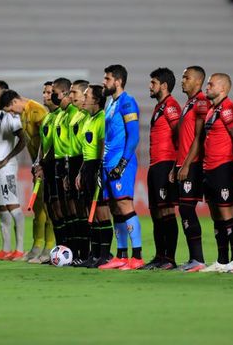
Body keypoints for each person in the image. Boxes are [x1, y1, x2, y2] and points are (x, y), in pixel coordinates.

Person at [0, 87, 55, 261]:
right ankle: (37, 246)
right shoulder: (23, 113)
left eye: (10, 110)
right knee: (38, 207)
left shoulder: (37, 111)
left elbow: (48, 140)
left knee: (48, 205)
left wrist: (42, 164)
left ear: (14, 102)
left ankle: (49, 247)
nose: (12, 114)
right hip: (37, 165)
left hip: (47, 165)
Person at [98, 64, 143, 270]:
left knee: (125, 205)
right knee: (116, 208)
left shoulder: (127, 102)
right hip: (108, 163)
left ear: (118, 81)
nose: (104, 82)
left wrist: (123, 164)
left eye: (107, 79)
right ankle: (121, 255)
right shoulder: (110, 103)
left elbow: (133, 136)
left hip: (121, 162)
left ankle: (137, 255)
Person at [201, 73, 233, 273]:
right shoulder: (212, 109)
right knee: (216, 215)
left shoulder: (228, 108)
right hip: (209, 168)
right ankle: (222, 260)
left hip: (224, 167)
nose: (207, 87)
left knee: (227, 213)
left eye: (211, 84)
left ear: (223, 89)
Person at [170, 66, 209, 272]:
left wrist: (185, 164)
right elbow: (184, 139)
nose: (182, 80)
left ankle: (198, 259)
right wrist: (176, 164)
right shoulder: (190, 103)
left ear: (198, 81)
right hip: (183, 163)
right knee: (184, 210)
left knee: (187, 209)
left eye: (187, 77)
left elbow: (199, 137)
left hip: (192, 165)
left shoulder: (202, 101)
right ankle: (194, 259)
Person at [142, 67, 180, 270]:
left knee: (166, 211)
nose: (150, 86)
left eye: (153, 83)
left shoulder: (171, 106)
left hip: (165, 164)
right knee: (156, 212)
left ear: (163, 86)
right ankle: (159, 256)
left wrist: (175, 165)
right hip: (155, 165)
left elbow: (180, 134)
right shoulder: (160, 107)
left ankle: (170, 258)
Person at [0, 81, 27, 261]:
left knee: (13, 206)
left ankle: (19, 249)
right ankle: (5, 249)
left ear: (2, 93)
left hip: (6, 169)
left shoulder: (11, 117)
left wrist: (6, 159)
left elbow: (23, 139)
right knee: (1, 208)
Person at [75, 84, 110, 268]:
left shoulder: (102, 118)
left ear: (96, 100)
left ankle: (105, 255)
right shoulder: (88, 119)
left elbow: (103, 145)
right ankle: (94, 255)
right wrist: (81, 172)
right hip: (88, 167)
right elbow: (86, 150)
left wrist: (100, 169)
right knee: (93, 213)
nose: (84, 99)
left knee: (102, 212)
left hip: (98, 165)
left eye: (87, 96)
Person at [31, 81, 61, 264]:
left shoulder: (60, 116)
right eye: (44, 92)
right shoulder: (47, 118)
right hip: (46, 167)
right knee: (48, 207)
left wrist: (44, 164)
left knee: (57, 211)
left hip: (57, 167)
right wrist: (38, 164)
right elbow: (43, 145)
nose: (45, 95)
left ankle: (51, 247)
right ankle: (49, 248)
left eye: (49, 92)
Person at [50, 77, 78, 249]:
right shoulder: (61, 114)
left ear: (65, 93)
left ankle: (80, 250)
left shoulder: (74, 113)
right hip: (59, 164)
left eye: (54, 93)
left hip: (71, 163)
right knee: (63, 208)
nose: (52, 96)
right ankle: (65, 248)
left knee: (74, 208)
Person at [66, 80, 91, 265]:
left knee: (86, 210)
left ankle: (89, 252)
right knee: (75, 211)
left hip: (84, 162)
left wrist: (81, 170)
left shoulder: (87, 117)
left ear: (84, 95)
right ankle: (78, 253)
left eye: (74, 92)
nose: (71, 96)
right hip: (72, 163)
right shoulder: (74, 115)